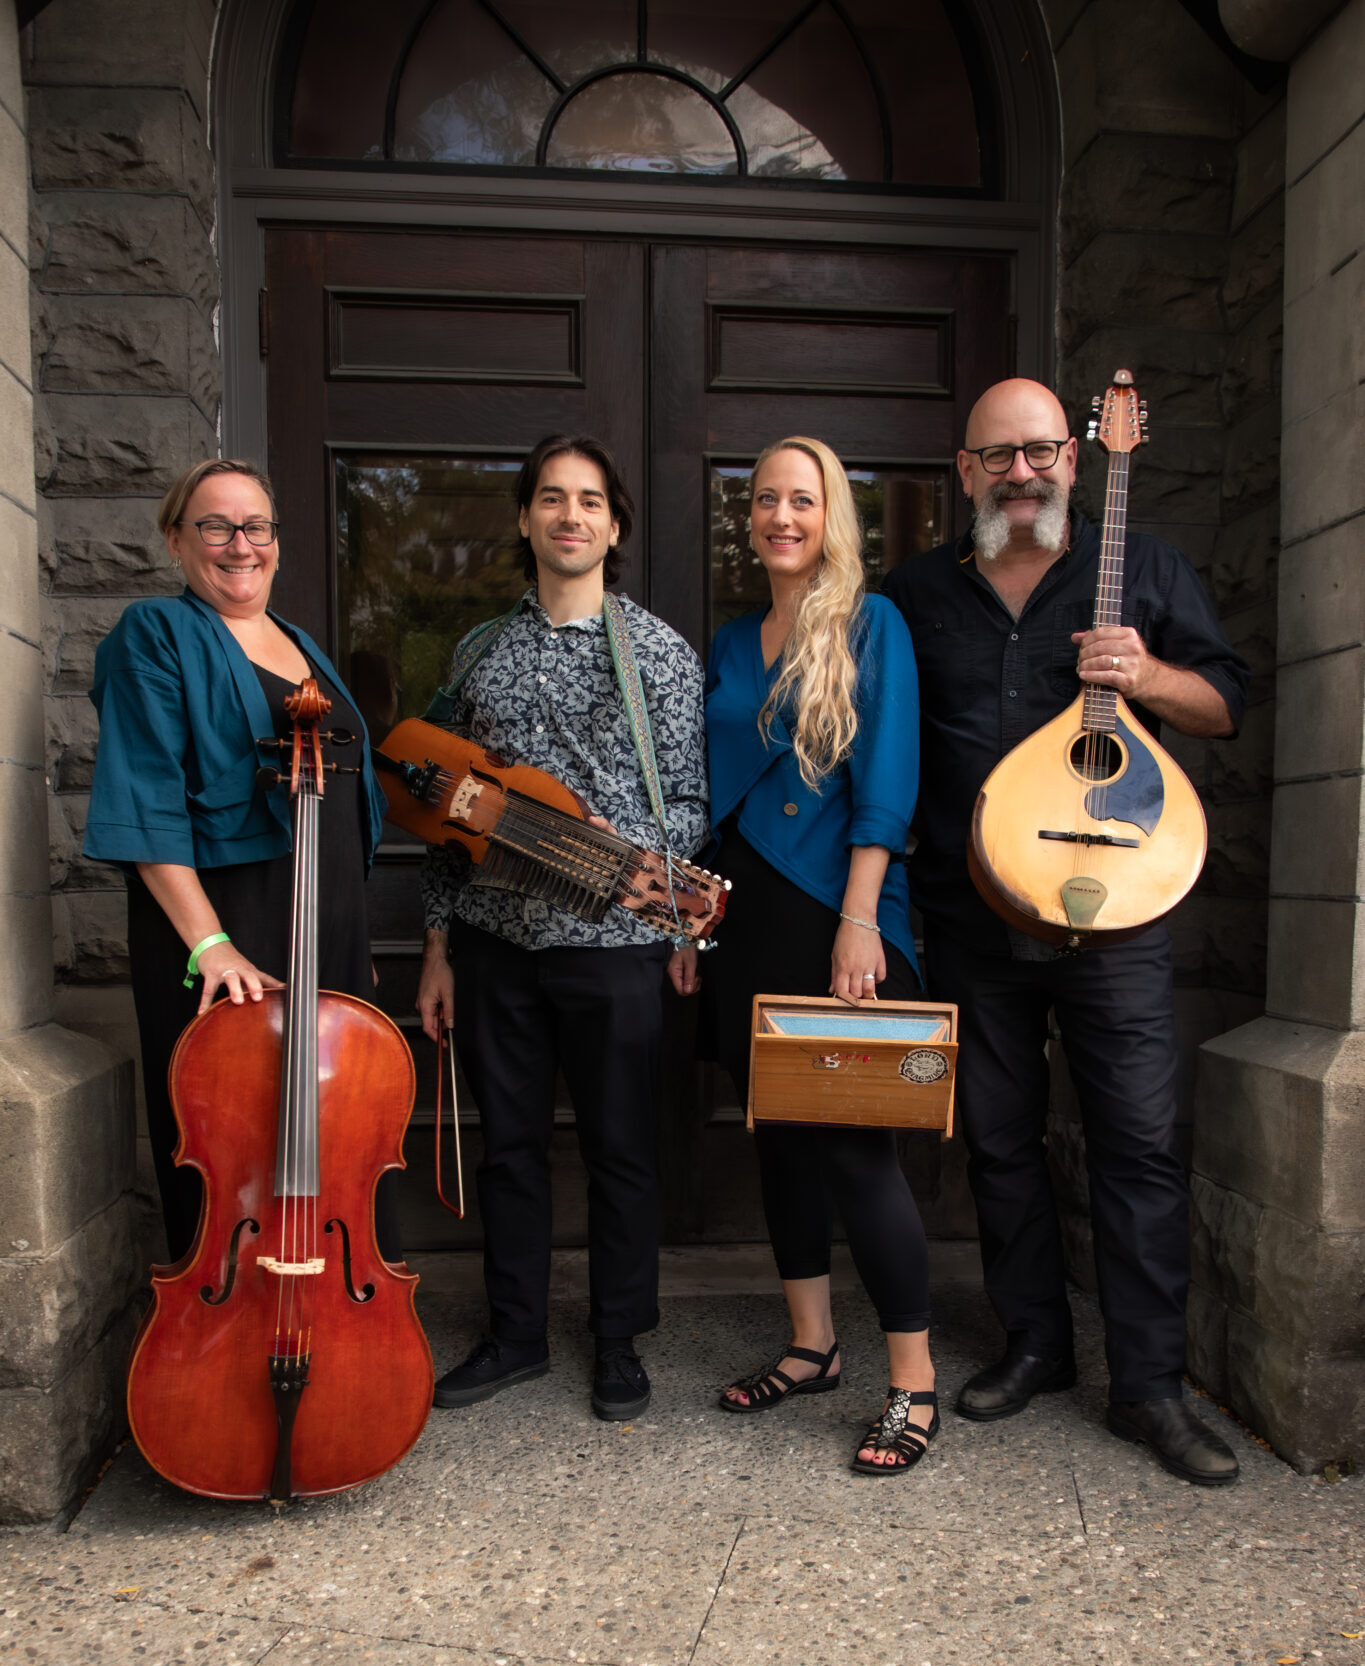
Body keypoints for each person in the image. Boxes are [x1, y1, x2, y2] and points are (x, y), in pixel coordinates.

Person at [883, 378, 1251, 1486]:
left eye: (1041, 451)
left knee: (1138, 1146)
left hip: (1120, 918)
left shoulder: (1140, 569)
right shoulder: (913, 594)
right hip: (973, 915)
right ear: (966, 471)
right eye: (998, 457)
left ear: (1077, 461)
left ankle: (1150, 1386)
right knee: (998, 1141)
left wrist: (1146, 675)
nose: (1022, 472)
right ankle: (1035, 1341)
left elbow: (1225, 702)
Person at [416, 434, 708, 1421]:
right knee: (508, 1147)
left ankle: (620, 1338)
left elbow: (688, 804)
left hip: (614, 947)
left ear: (613, 525)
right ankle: (515, 1335)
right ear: (527, 519)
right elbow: (440, 809)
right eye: (551, 498)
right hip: (496, 943)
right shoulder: (478, 654)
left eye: (588, 500)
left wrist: (648, 901)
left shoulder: (658, 652)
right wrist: (438, 945)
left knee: (623, 1146)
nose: (570, 515)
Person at [689, 435, 938, 1475]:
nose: (779, 516)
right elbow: (704, 805)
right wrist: (692, 926)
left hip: (839, 913)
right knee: (778, 1140)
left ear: (830, 512)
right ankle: (811, 1345)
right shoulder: (733, 640)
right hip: (742, 918)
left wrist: (861, 920)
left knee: (853, 1151)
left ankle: (915, 1387)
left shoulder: (872, 623)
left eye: (801, 500)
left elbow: (887, 773)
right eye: (763, 502)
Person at [84, 459, 397, 1264]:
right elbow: (145, 803)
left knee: (341, 1149)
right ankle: (220, 1352)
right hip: (227, 938)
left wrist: (352, 943)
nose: (239, 545)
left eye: (255, 526)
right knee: (232, 1152)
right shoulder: (154, 635)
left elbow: (338, 815)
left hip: (321, 937)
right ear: (175, 539)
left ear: (277, 543)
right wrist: (210, 945)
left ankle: (348, 1343)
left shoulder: (301, 646)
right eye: (215, 526)